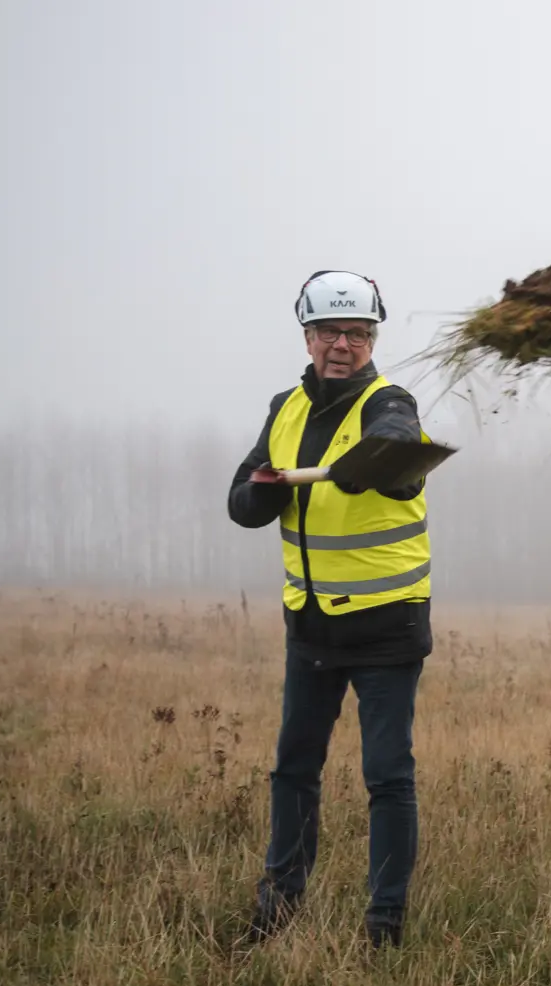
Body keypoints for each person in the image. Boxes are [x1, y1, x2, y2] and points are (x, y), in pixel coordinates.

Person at [227, 270, 433, 949]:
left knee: (386, 776)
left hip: (385, 629)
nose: (342, 345)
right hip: (311, 628)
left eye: (357, 333)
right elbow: (243, 500)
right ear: (307, 335)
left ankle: (385, 925)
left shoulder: (389, 402)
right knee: (293, 768)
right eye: (329, 332)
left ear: (373, 339)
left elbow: (402, 451)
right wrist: (262, 493)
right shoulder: (284, 409)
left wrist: (377, 460)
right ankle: (278, 906)